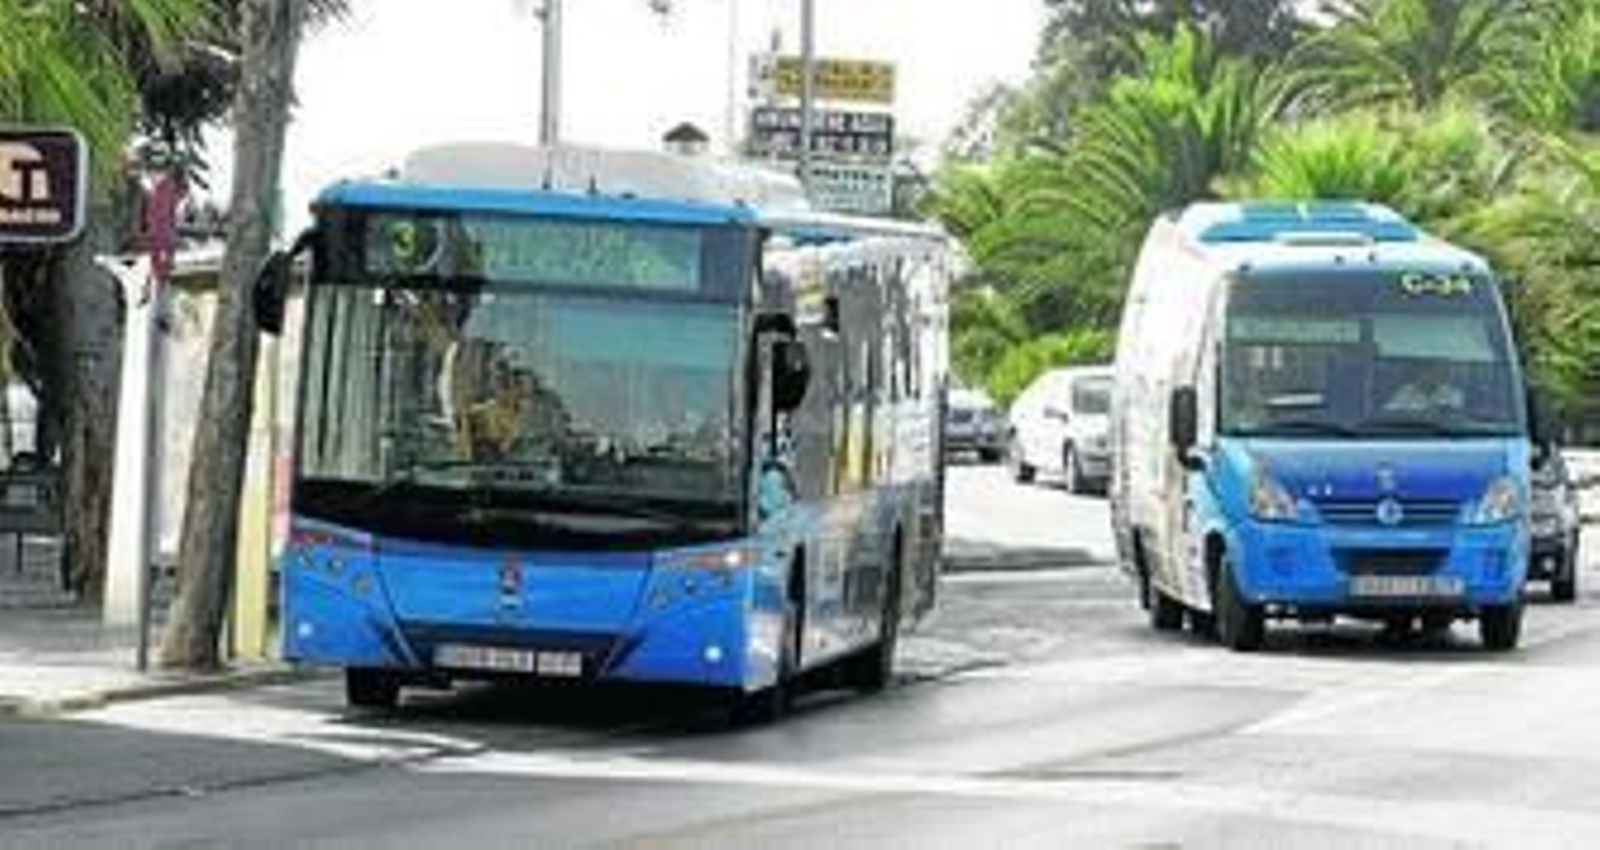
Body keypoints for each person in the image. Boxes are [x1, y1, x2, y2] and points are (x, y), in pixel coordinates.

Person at [1384, 360, 1465, 413]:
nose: (1433, 375)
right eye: (1429, 371)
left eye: (1438, 371)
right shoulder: (1406, 392)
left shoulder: (1453, 393)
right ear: (1420, 372)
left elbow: (1457, 416)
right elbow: (1390, 412)